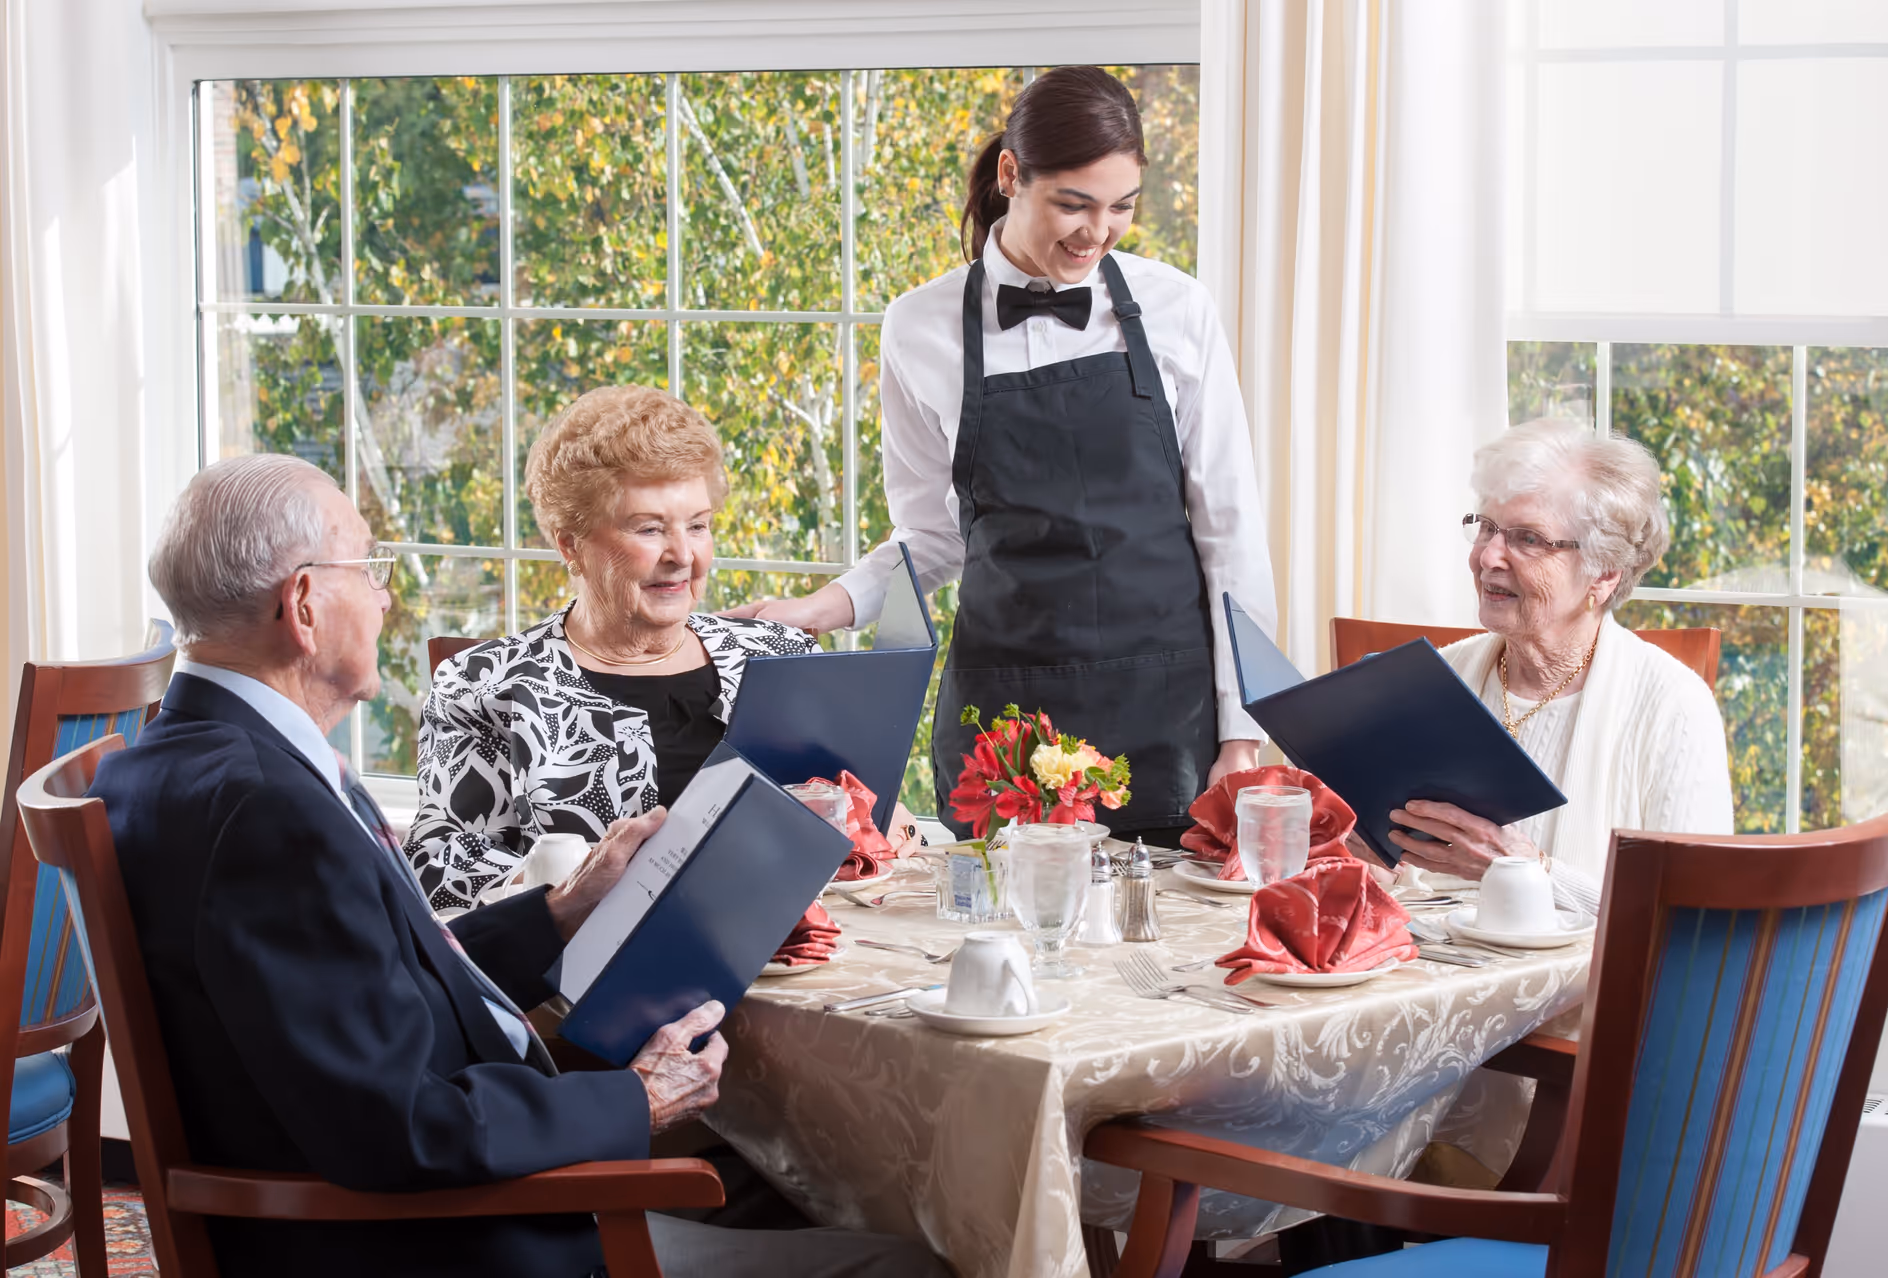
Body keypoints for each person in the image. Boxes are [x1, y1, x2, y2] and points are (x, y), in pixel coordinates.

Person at [89, 454, 948, 1278]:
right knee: (913, 1259)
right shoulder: (266, 814)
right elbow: (403, 1130)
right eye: (369, 569)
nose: (387, 598)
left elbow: (374, 976)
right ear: (305, 604)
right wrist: (636, 1102)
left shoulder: (174, 761)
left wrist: (560, 910)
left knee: (804, 1191)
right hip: (443, 1245)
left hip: (421, 1200)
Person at [730, 66, 1278, 847]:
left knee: (1169, 954)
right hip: (1005, 720)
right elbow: (931, 536)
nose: (1097, 233)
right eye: (1073, 205)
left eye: (1121, 207)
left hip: (1169, 709)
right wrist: (825, 608)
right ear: (1011, 174)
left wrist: (1242, 735)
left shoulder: (1178, 307)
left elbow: (1230, 531)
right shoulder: (917, 326)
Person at [406, 385, 816, 912]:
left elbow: (840, 809)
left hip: (790, 950)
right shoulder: (484, 683)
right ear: (570, 544)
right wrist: (565, 886)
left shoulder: (778, 655)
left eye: (698, 526)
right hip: (581, 973)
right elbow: (436, 862)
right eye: (649, 529)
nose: (683, 555)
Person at [1383, 419, 1734, 914]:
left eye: (1528, 538)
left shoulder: (1674, 707)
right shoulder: (1433, 679)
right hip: (1427, 971)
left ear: (1603, 573)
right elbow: (1393, 865)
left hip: (1588, 990)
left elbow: (1697, 915)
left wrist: (1525, 872)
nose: (1488, 556)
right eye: (1487, 528)